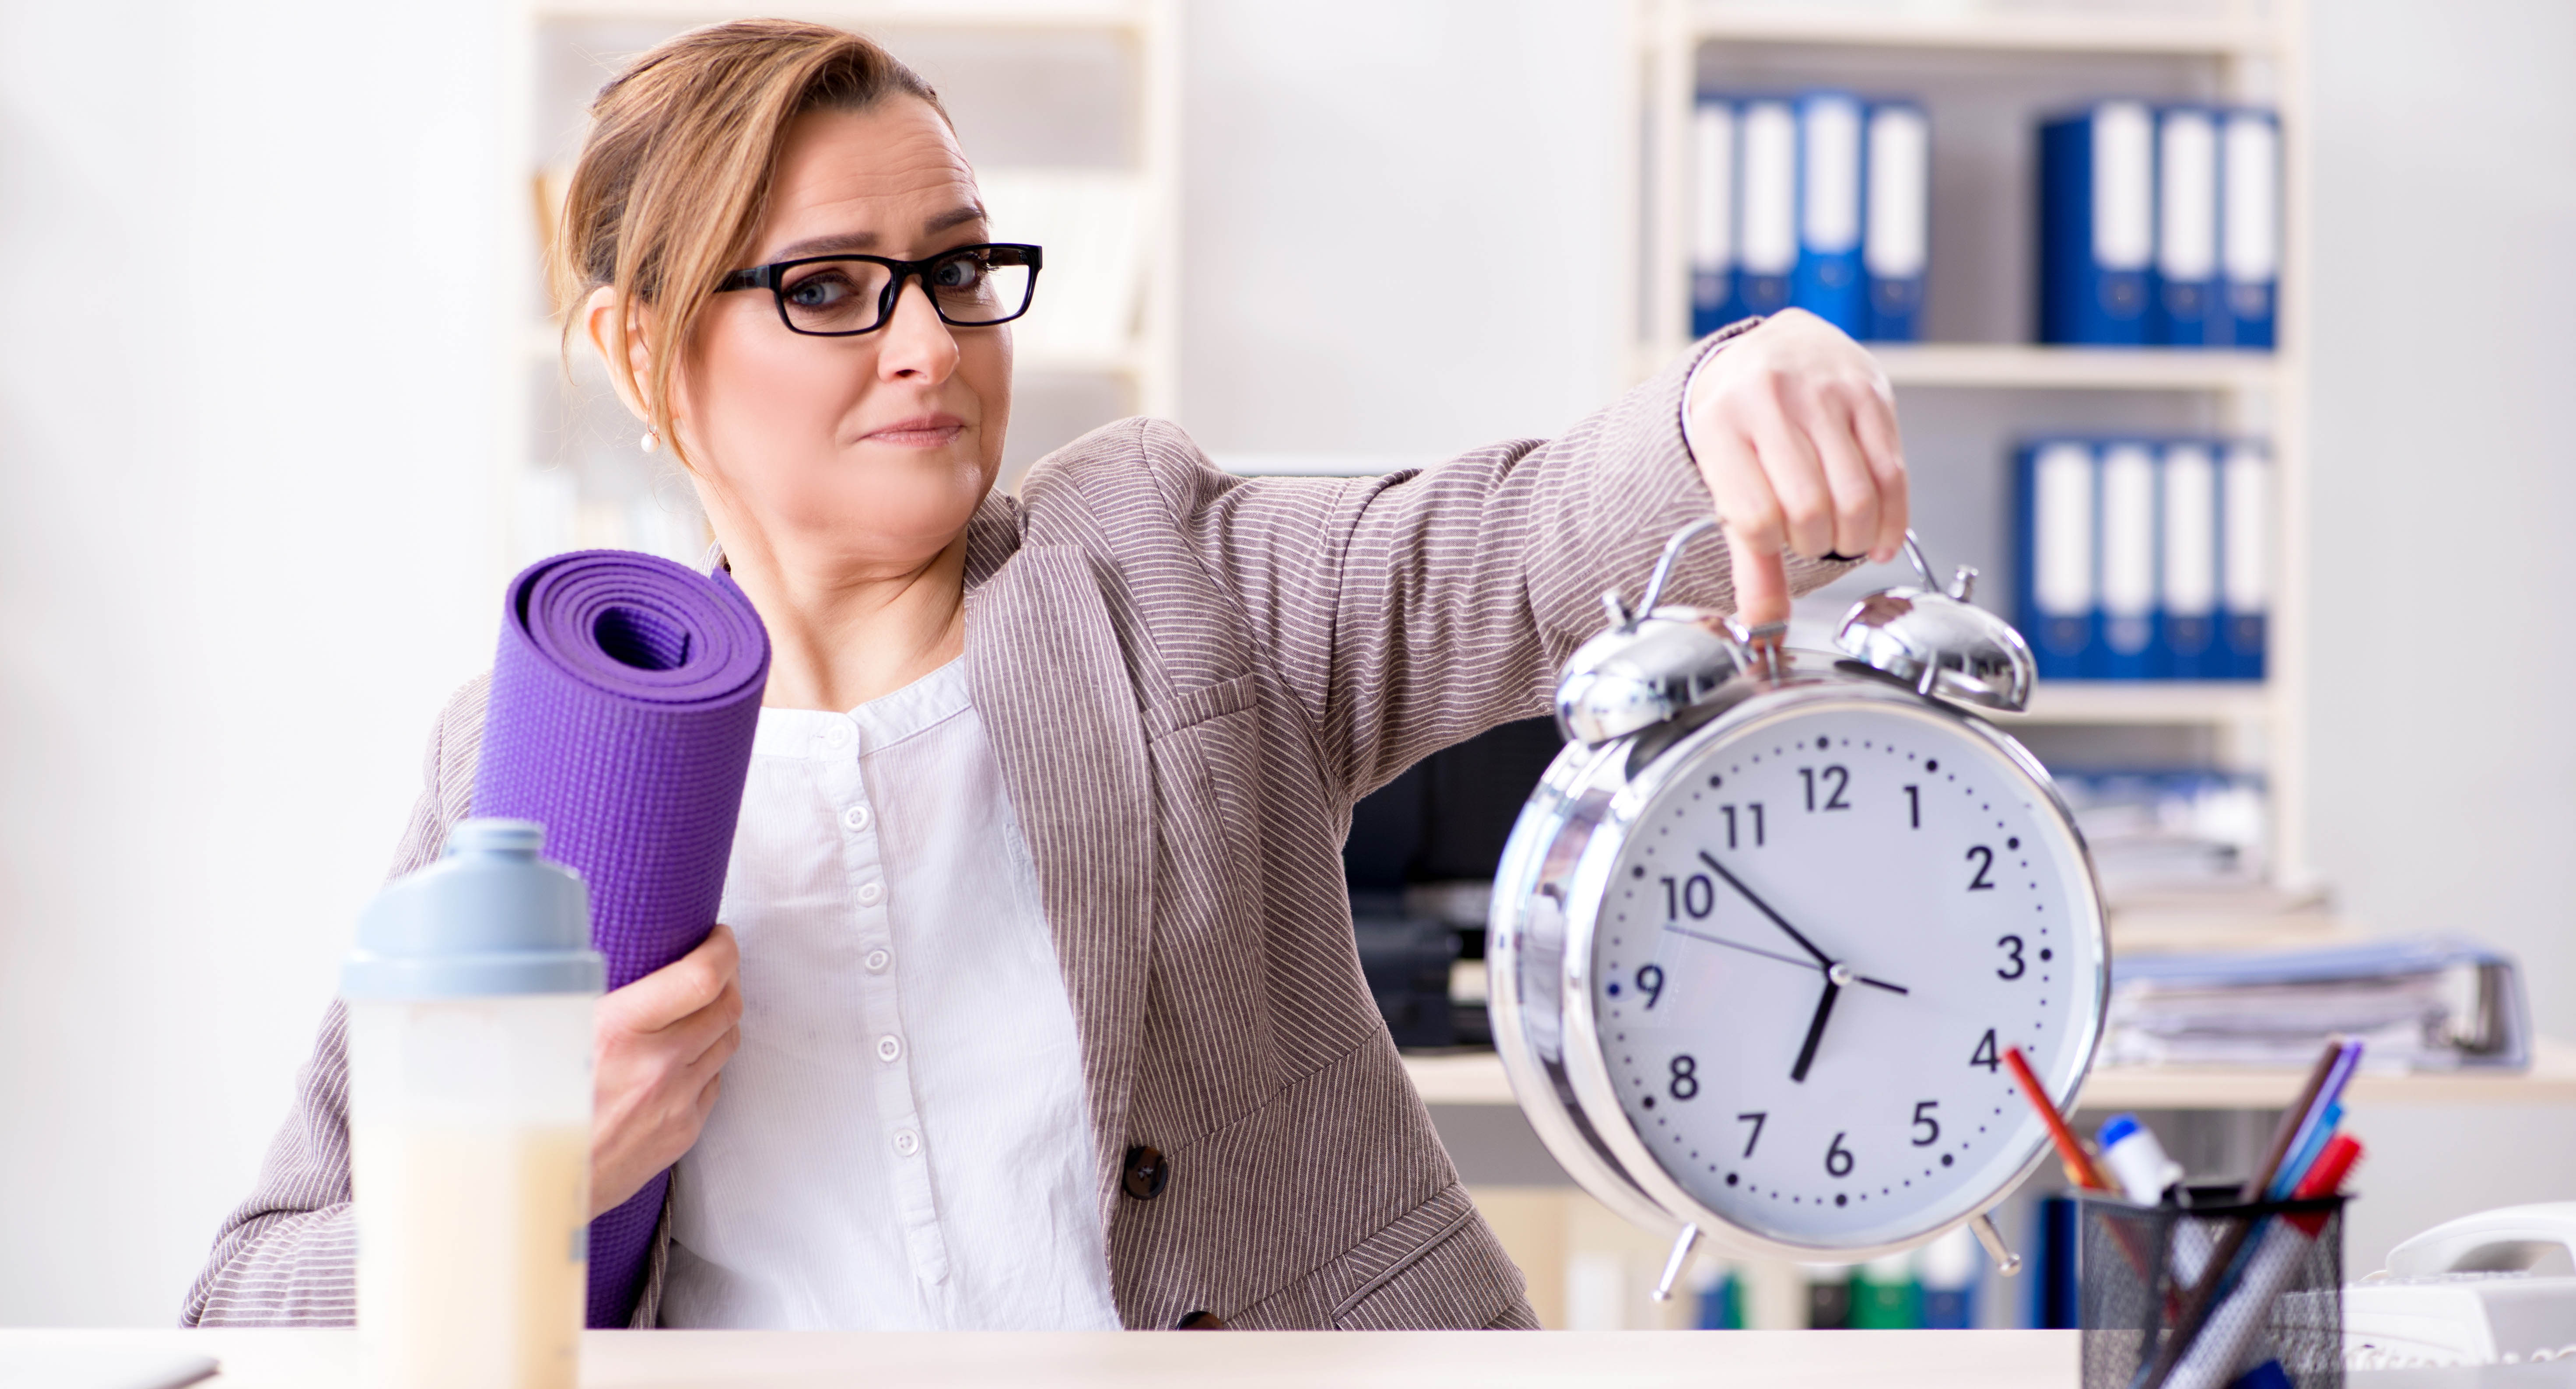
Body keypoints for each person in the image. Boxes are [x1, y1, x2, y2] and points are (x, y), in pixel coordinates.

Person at [186, 19, 1907, 1331]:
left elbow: (1509, 535)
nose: (929, 342)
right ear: (644, 349)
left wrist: (1735, 389)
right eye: (834, 290)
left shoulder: (1170, 577)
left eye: (954, 268)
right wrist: (519, 1171)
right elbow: (250, 1293)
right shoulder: (536, 759)